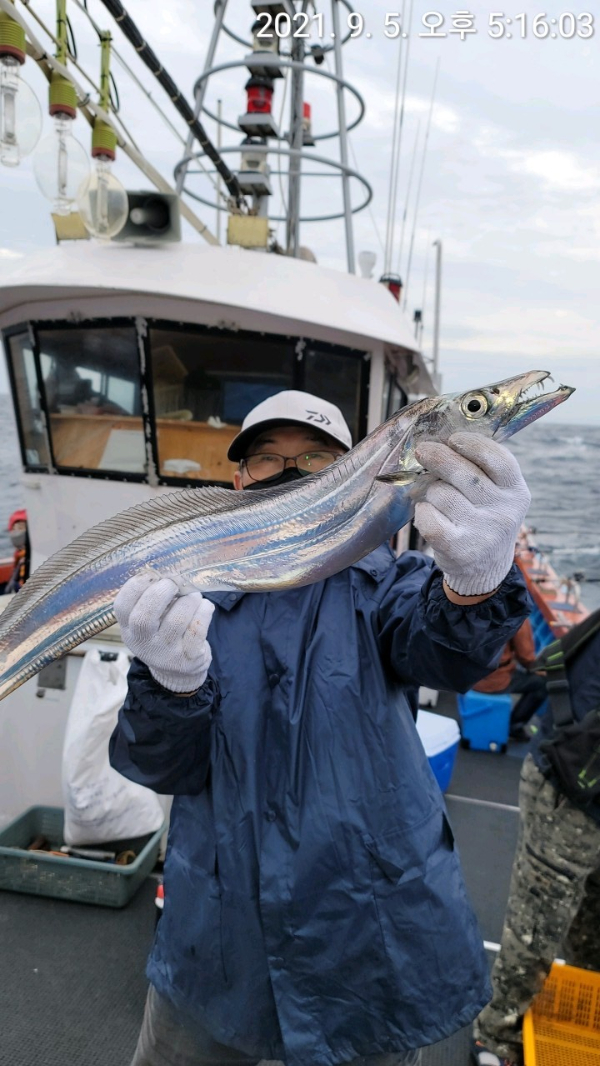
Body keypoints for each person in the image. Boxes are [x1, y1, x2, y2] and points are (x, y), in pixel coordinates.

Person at [109, 389, 534, 1066]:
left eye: (315, 457)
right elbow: (163, 766)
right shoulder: (186, 606)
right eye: (268, 458)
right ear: (238, 481)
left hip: (364, 934)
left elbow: (449, 652)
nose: (290, 471)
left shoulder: (392, 586)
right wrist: (168, 684)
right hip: (216, 935)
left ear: (354, 473)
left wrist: (477, 580)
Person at [472, 617, 600, 1066]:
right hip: (567, 789)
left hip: (583, 775)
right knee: (537, 926)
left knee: (592, 931)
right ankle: (495, 1036)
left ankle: (585, 1012)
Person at [472, 617, 548, 739]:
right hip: (492, 679)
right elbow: (526, 657)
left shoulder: (476, 607)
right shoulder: (518, 615)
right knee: (542, 683)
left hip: (467, 673)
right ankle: (515, 726)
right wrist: (539, 669)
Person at [4, 508, 30, 594]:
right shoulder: (20, 556)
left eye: (21, 528)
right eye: (14, 529)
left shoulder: (29, 558)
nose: (16, 532)